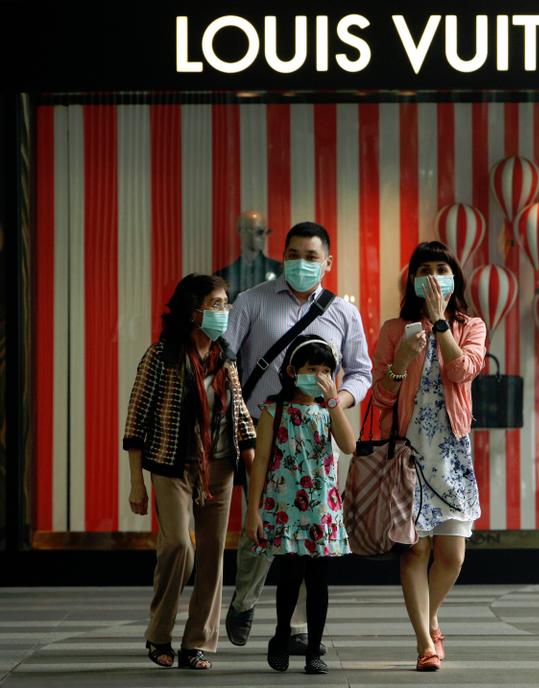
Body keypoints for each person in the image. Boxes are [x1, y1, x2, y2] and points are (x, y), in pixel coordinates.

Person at [224, 221, 372, 654]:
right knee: (263, 523)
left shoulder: (343, 312)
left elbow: (361, 371)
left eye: (311, 257)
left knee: (310, 531)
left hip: (320, 436)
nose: (301, 263)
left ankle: (300, 627)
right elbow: (227, 361)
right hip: (263, 429)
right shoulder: (251, 301)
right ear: (282, 256)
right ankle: (245, 599)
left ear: (327, 262)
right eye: (293, 254)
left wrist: (336, 403)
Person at [123, 274, 256, 670]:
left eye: (225, 304)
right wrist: (136, 483)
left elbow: (240, 418)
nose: (223, 311)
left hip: (219, 468)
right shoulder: (162, 356)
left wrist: (257, 479)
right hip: (172, 466)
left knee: (214, 555)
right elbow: (136, 422)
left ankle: (198, 642)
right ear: (192, 309)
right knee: (179, 546)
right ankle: (159, 633)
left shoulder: (225, 357)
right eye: (215, 304)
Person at [371, 241, 486, 672]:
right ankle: (424, 642)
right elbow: (381, 397)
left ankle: (430, 615)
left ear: (453, 276)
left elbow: (462, 371)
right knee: (415, 553)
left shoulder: (471, 326)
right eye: (426, 269)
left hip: (452, 455)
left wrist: (441, 325)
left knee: (452, 556)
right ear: (414, 280)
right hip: (407, 456)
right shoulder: (394, 328)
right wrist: (401, 358)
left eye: (442, 268)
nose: (434, 276)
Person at [246, 335, 356, 674]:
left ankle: (313, 651)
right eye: (312, 369)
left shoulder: (327, 409)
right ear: (293, 371)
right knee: (290, 575)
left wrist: (334, 399)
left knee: (319, 580)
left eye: (326, 370)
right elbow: (261, 461)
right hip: (284, 506)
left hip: (321, 508)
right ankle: (281, 636)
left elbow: (349, 445)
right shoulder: (272, 410)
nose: (319, 376)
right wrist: (253, 512)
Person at [214, 210, 283, 302]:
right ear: (242, 232)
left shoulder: (280, 271)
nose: (264, 236)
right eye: (259, 231)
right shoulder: (223, 276)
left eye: (266, 231)